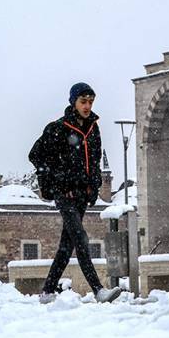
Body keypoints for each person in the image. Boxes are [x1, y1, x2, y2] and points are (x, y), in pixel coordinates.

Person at [29, 82, 121, 303]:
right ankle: (99, 290)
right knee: (80, 237)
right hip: (65, 194)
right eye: (83, 101)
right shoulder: (58, 128)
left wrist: (94, 185)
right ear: (73, 102)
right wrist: (57, 183)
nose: (87, 106)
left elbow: (95, 160)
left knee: (66, 244)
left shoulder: (93, 128)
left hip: (81, 194)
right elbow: (36, 155)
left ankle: (47, 291)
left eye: (90, 101)